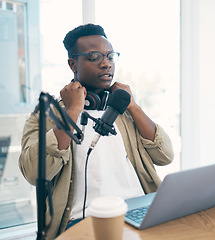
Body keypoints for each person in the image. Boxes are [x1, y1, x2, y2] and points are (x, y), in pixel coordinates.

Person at [18, 23, 174, 239]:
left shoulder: (123, 109)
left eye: (110, 57)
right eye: (94, 57)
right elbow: (34, 173)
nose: (106, 64)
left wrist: (134, 107)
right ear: (73, 64)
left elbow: (165, 156)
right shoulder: (44, 116)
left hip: (140, 208)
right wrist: (72, 111)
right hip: (82, 219)